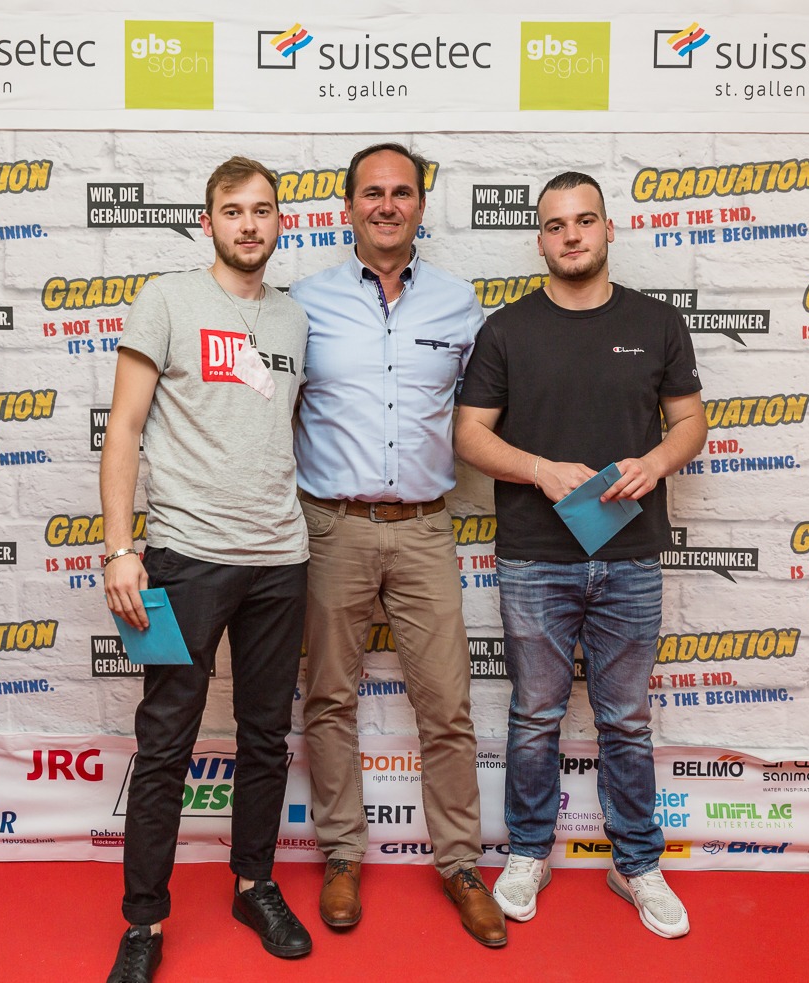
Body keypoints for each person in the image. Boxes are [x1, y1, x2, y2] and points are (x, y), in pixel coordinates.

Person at [454, 171, 707, 940]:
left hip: (630, 556)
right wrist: (538, 468)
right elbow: (469, 435)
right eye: (557, 224)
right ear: (540, 239)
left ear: (608, 229)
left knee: (626, 719)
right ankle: (528, 852)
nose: (571, 235)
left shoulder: (657, 322)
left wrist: (656, 463)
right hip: (535, 556)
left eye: (585, 220)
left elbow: (690, 420)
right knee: (534, 714)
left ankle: (636, 862)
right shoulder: (506, 330)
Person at [100, 156, 312, 983]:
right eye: (233, 210)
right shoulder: (167, 299)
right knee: (165, 743)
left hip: (280, 560)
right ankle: (144, 921)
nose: (249, 224)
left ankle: (254, 884)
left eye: (262, 210)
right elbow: (124, 428)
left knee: (265, 736)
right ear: (208, 221)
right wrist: (121, 549)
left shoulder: (293, 320)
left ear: (280, 221)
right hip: (184, 559)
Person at [291, 142, 506, 948]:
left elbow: (489, 411)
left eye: (403, 192)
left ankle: (460, 863)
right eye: (373, 192)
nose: (388, 205)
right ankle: (342, 854)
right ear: (348, 205)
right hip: (330, 526)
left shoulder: (459, 302)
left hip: (423, 527)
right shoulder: (302, 303)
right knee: (328, 698)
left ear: (421, 204)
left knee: (446, 703)